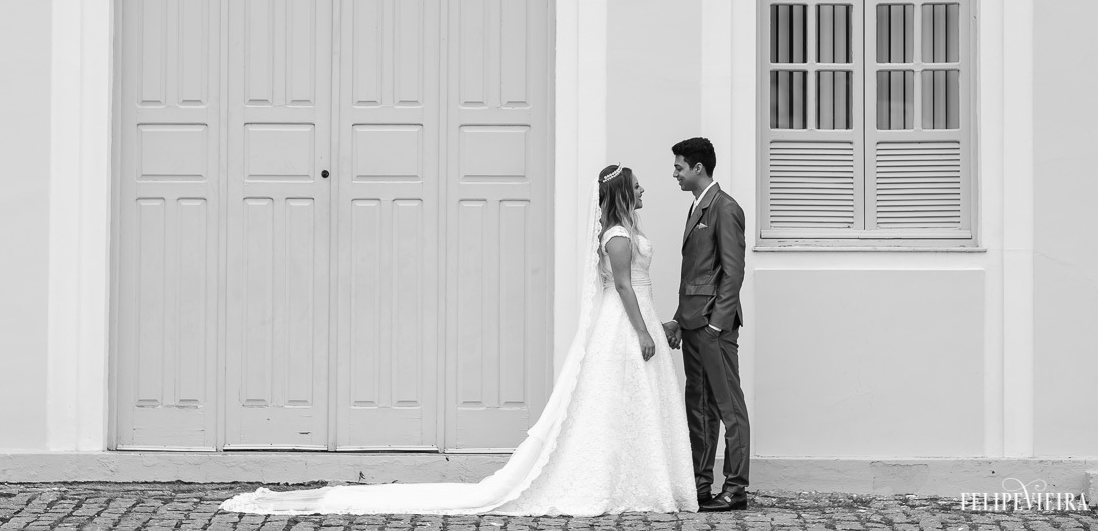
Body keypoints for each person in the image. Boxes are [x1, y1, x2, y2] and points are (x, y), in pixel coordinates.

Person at [221, 164, 697, 516]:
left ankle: (639, 477)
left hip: (643, 318)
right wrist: (640, 330)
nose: (643, 191)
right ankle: (613, 479)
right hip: (626, 323)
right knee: (616, 401)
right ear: (621, 194)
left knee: (633, 404)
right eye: (636, 187)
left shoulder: (628, 231)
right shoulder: (616, 236)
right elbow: (623, 286)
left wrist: (657, 324)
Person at [662, 137, 750, 512]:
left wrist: (717, 324)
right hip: (694, 325)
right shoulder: (697, 206)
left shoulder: (725, 208)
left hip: (715, 326)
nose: (675, 173)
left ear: (698, 168)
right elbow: (696, 275)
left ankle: (735, 489)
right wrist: (681, 321)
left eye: (679, 167)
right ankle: (700, 485)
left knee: (728, 407)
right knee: (697, 406)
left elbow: (733, 272)